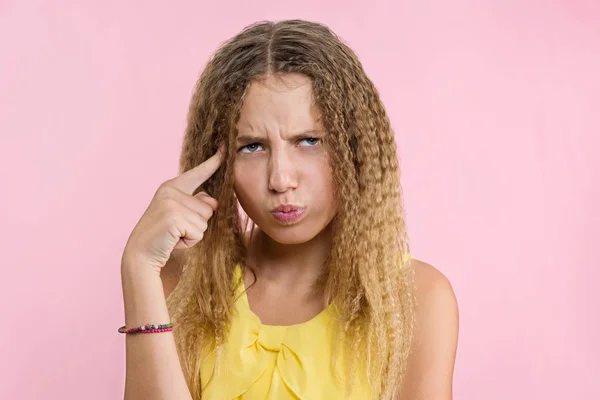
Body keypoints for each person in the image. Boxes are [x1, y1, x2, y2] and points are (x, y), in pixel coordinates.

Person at [120, 19, 459, 400]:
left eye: (309, 140)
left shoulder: (416, 298)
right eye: (252, 146)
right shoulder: (183, 279)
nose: (280, 179)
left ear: (356, 149)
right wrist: (138, 268)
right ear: (219, 161)